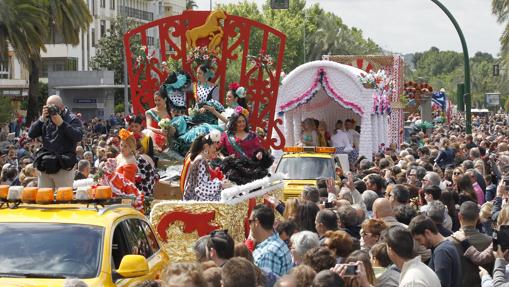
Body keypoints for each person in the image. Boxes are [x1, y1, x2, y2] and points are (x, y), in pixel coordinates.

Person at [29, 95, 83, 188]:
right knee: (44, 197)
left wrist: (62, 124)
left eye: (53, 107)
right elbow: (31, 134)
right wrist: (41, 119)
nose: (51, 110)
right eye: (48, 107)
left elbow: (78, 136)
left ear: (61, 107)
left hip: (63, 166)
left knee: (63, 198)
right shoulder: (45, 119)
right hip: (46, 165)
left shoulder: (72, 119)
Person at [219, 108, 273, 185]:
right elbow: (218, 150)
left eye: (243, 121)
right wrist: (224, 158)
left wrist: (260, 153)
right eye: (239, 122)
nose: (242, 124)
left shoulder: (252, 135)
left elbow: (259, 148)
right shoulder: (226, 136)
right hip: (234, 170)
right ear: (234, 123)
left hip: (252, 169)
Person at [409, 215, 462, 287]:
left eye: (419, 239)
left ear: (427, 233)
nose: (420, 243)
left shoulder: (441, 252)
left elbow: (442, 284)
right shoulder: (446, 246)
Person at [101, 129, 144, 210]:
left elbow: (126, 184)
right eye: (121, 145)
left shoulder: (130, 161)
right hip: (116, 192)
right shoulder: (120, 156)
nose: (122, 148)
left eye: (125, 146)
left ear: (132, 148)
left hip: (124, 197)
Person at [250, 204, 293, 276]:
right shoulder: (276, 242)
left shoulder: (268, 253)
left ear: (256, 223)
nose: (249, 225)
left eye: (250, 221)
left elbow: (267, 284)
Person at [183, 130, 225, 201]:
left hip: (192, 198)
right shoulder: (201, 160)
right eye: (214, 148)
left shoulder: (197, 157)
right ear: (206, 146)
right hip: (195, 201)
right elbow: (201, 187)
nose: (215, 151)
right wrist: (221, 184)